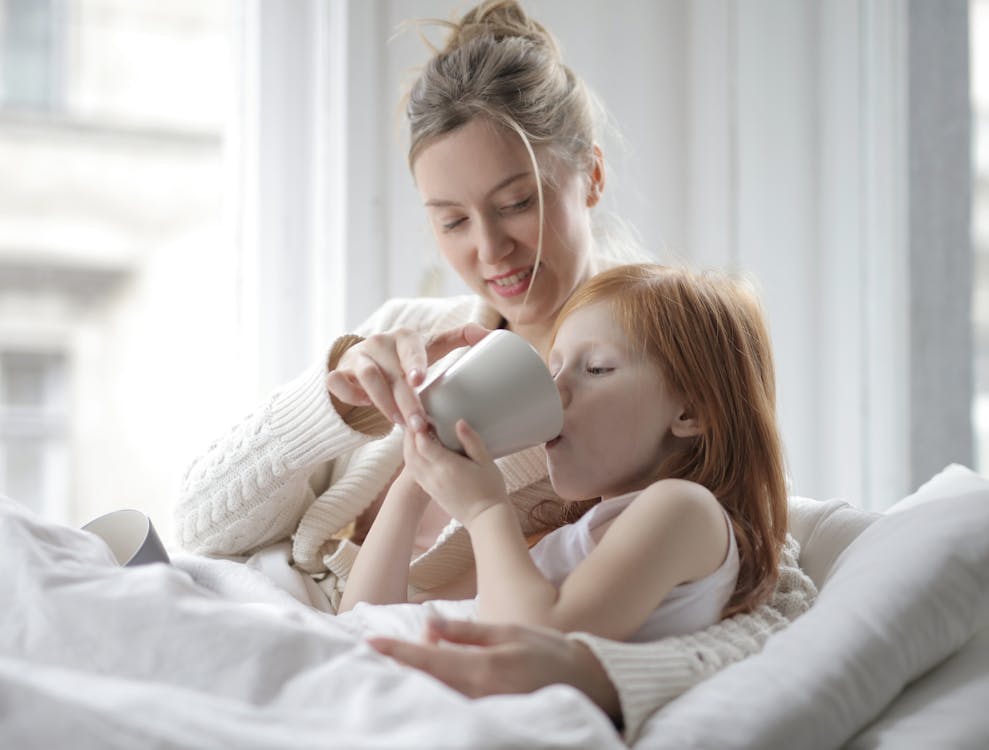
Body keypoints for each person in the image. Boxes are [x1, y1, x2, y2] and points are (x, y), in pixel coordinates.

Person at [173, 0, 817, 742]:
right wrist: (335, 403)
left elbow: (766, 595)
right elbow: (201, 527)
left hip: (385, 674)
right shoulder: (404, 334)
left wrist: (596, 676)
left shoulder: (651, 384)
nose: (489, 250)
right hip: (295, 617)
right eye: (450, 219)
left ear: (591, 178)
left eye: (516, 203)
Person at [341, 263, 787, 647]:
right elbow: (369, 619)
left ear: (690, 411)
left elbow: (540, 642)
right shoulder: (573, 537)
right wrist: (413, 485)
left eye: (596, 369)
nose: (554, 391)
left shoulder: (685, 510)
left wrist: (484, 509)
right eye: (553, 367)